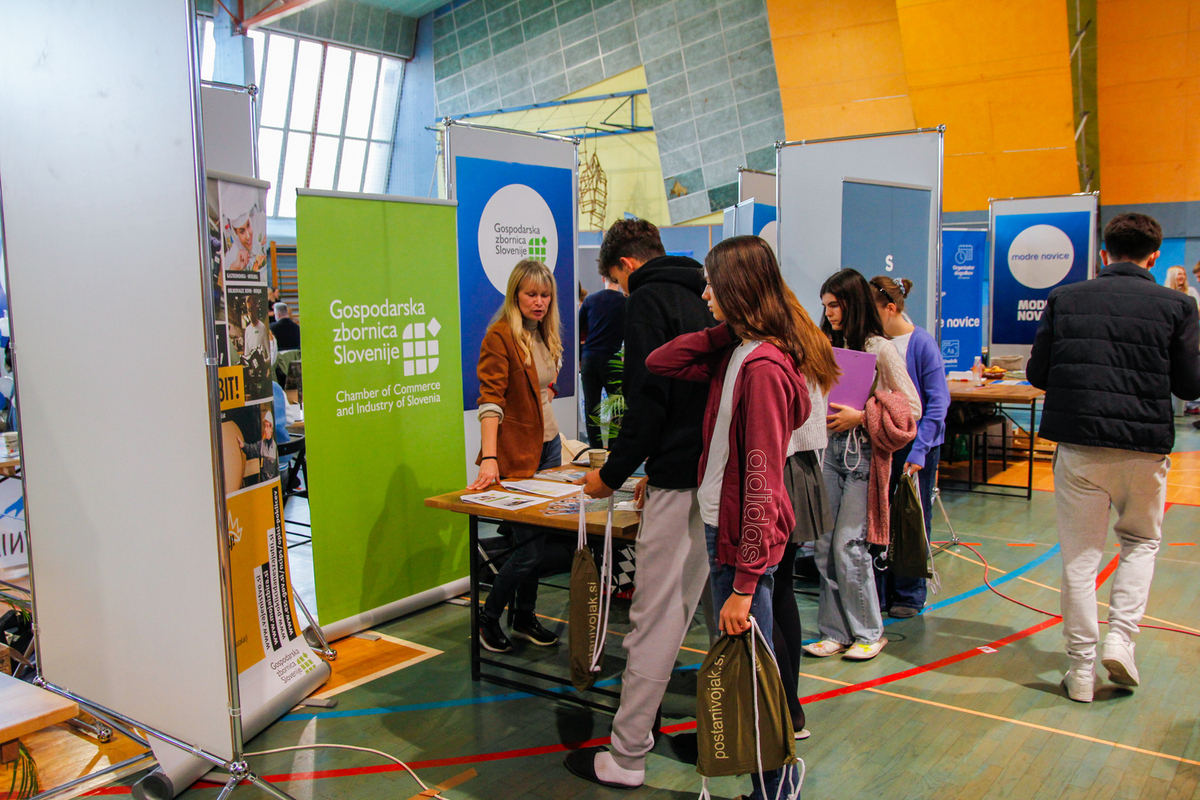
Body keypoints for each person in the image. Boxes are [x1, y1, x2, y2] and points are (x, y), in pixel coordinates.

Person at [641, 235, 809, 799]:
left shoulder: (761, 368)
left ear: (736, 289)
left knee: (752, 678)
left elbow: (761, 481)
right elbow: (661, 360)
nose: (705, 294)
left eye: (713, 285)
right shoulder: (739, 353)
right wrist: (728, 329)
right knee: (752, 673)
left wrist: (743, 583)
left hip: (739, 543)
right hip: (728, 531)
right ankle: (774, 785)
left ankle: (776, 788)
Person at [565, 218, 713, 790]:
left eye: (616, 280)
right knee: (704, 612)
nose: (618, 290)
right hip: (711, 476)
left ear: (626, 265)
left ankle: (627, 754)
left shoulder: (648, 301)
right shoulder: (702, 298)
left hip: (680, 480)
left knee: (654, 618)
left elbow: (648, 399)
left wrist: (613, 473)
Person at [1028, 212, 1200, 703]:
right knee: (1140, 543)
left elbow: (1038, 373)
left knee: (1080, 561)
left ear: (1103, 254)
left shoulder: (1064, 298)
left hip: (1080, 447)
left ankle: (1081, 669)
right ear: (1154, 257)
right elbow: (1190, 385)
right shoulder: (1178, 305)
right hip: (1144, 448)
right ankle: (1122, 640)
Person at [803, 268, 920, 662]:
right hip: (827, 453)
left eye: (835, 305)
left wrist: (863, 415)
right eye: (825, 306)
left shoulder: (880, 348)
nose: (829, 313)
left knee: (849, 545)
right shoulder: (825, 345)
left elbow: (912, 406)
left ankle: (869, 632)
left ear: (852, 304)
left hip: (864, 456)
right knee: (824, 545)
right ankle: (835, 631)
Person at [468, 259, 565, 654]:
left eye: (545, 295)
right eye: (531, 294)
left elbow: (541, 388)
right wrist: (490, 457)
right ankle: (488, 617)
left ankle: (524, 616)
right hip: (517, 454)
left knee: (539, 543)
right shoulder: (500, 336)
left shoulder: (544, 333)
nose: (539, 302)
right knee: (529, 550)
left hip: (550, 447)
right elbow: (490, 401)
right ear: (515, 295)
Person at [777, 289, 840, 741]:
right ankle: (788, 708)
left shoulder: (779, 346)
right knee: (779, 590)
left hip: (780, 467)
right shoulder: (807, 338)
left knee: (767, 593)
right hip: (802, 468)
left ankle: (781, 709)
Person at [869, 276, 949, 617]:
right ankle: (881, 591)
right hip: (885, 443)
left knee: (912, 520)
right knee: (881, 518)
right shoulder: (876, 343)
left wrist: (920, 450)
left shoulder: (921, 344)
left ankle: (910, 593)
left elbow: (938, 403)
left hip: (917, 447)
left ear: (890, 308)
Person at [578, 273, 627, 448]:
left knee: (591, 406)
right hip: (612, 360)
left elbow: (578, 330)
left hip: (589, 359)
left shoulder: (590, 300)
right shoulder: (625, 302)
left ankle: (595, 450)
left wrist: (580, 358)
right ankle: (613, 448)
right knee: (617, 406)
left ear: (602, 278)